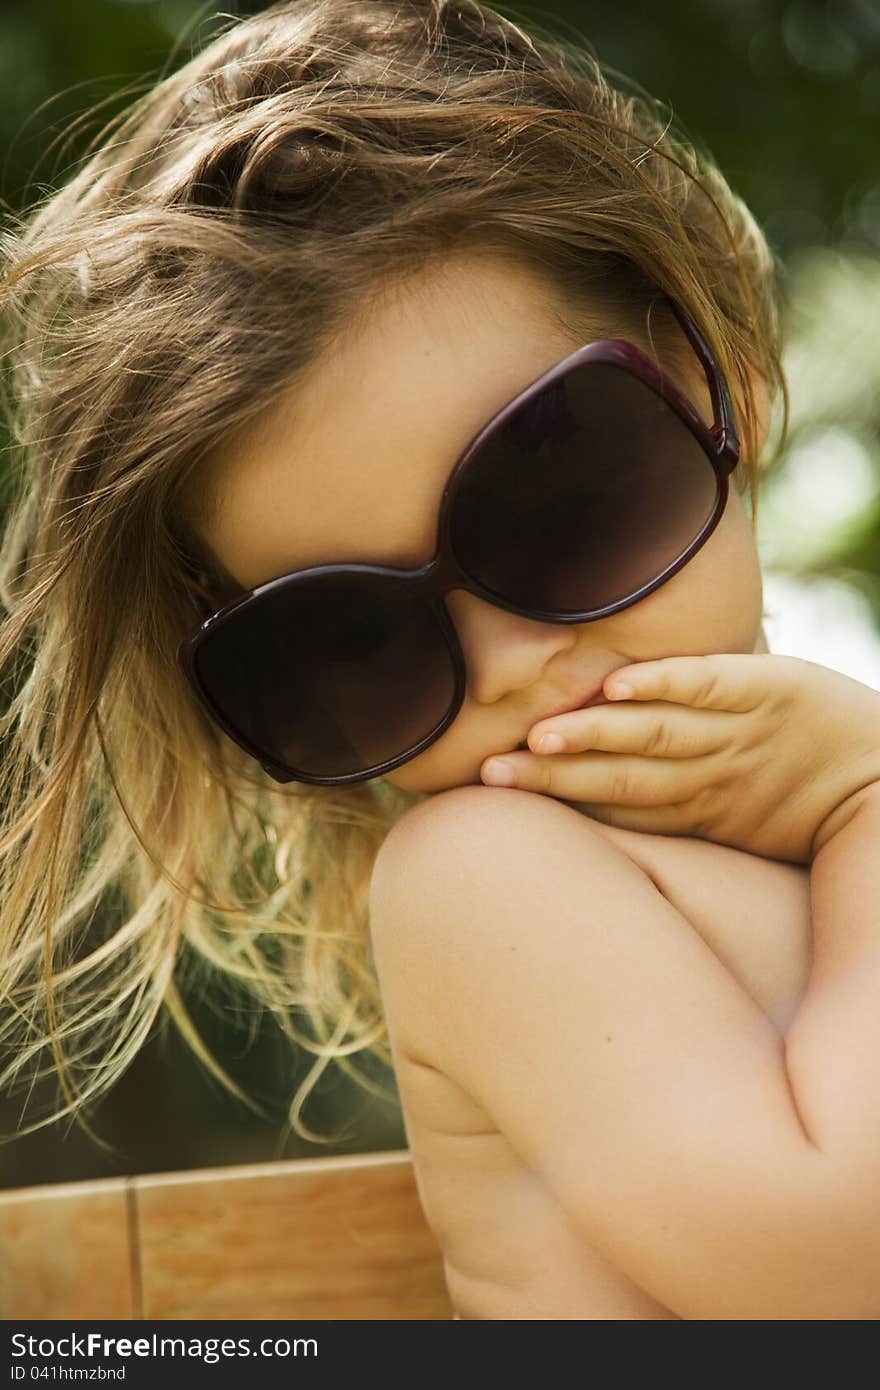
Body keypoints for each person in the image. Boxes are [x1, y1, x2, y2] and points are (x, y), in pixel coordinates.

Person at [1, 0, 879, 1319]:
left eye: (560, 493)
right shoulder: (485, 873)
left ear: (724, 385)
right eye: (351, 636)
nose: (518, 660)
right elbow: (835, 1266)